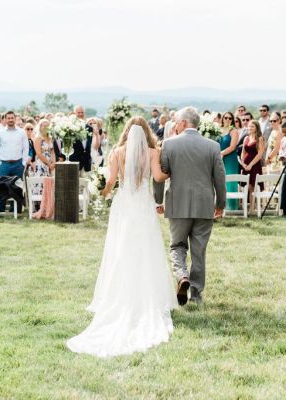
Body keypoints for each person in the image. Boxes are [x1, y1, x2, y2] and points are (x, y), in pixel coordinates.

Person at [67, 117, 177, 358]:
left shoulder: (117, 151)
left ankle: (120, 291)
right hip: (143, 203)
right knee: (147, 248)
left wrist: (102, 191)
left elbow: (111, 181)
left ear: (127, 131)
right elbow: (158, 177)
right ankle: (149, 295)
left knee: (122, 247)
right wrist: (173, 172)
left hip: (125, 204)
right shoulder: (152, 152)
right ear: (147, 131)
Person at [153, 107, 226, 306]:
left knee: (177, 245)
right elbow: (220, 178)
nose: (175, 125)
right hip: (204, 205)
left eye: (177, 122)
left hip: (177, 203)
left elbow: (160, 176)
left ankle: (182, 276)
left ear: (184, 123)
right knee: (199, 250)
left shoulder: (168, 145)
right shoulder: (213, 146)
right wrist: (220, 204)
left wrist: (158, 200)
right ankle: (196, 294)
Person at [0, 111, 30, 212]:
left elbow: (26, 148)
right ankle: (0, 208)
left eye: (12, 118)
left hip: (18, 164)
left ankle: (16, 209)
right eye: (8, 118)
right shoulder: (0, 133)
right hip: (4, 164)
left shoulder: (22, 132)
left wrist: (23, 162)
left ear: (15, 119)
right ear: (5, 119)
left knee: (17, 187)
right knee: (2, 186)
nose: (10, 120)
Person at [241, 120, 266, 212]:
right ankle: (246, 208)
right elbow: (243, 152)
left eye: (252, 126)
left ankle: (252, 208)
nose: (250, 128)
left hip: (254, 165)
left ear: (256, 128)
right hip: (245, 165)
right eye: (249, 126)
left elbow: (260, 154)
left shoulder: (260, 138)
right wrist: (243, 163)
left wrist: (251, 165)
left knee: (253, 186)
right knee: (246, 186)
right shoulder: (246, 138)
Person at [219, 112, 239, 211]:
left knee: (230, 181)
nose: (227, 119)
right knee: (220, 181)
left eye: (230, 118)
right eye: (225, 117)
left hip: (230, 159)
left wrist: (220, 153)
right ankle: (220, 206)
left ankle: (231, 207)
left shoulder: (233, 131)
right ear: (222, 118)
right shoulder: (218, 129)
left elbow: (232, 147)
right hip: (219, 158)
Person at [68, 105, 93, 174]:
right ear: (74, 114)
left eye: (82, 112)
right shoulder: (70, 128)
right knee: (73, 183)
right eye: (78, 112)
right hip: (74, 161)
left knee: (85, 184)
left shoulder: (90, 128)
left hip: (86, 161)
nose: (81, 114)